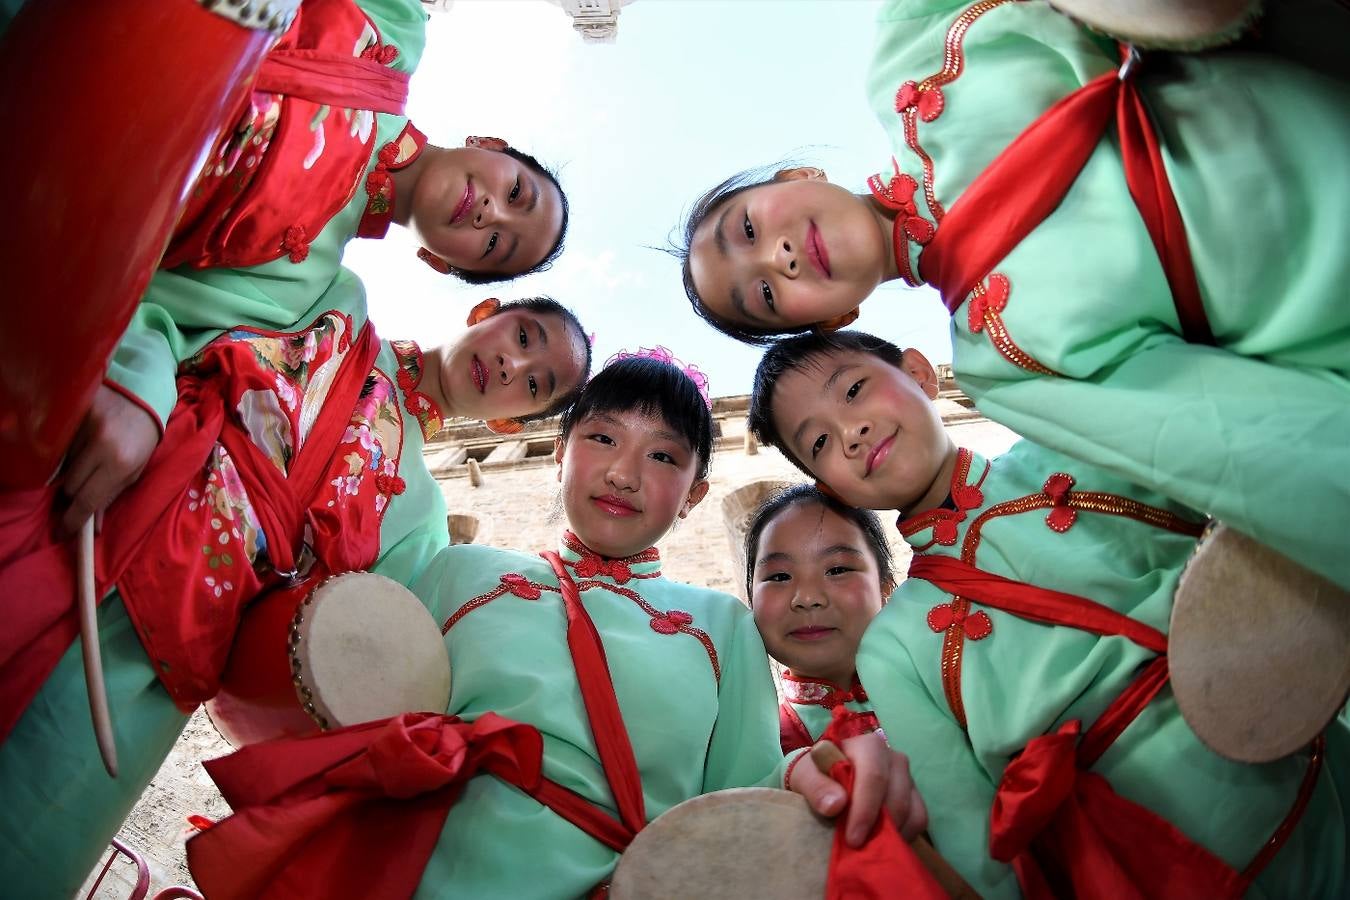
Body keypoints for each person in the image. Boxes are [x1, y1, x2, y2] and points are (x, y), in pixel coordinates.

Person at [185, 350, 928, 899]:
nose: (623, 473)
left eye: (663, 455)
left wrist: (813, 772)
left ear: (695, 495)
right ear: (560, 453)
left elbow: (744, 788)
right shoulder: (456, 570)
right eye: (602, 439)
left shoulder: (720, 622)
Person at [674, 0, 1350, 591]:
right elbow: (1259, 444)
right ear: (827, 319)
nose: (778, 256)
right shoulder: (1006, 369)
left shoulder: (914, 44)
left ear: (798, 173)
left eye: (749, 228)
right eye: (762, 294)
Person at [0, 268, 593, 896]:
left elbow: (338, 655)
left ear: (512, 423)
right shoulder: (333, 300)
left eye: (534, 384)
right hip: (83, 508)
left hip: (157, 663)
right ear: (486, 313)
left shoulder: (420, 527)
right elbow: (166, 307)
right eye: (525, 336)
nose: (512, 366)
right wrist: (143, 391)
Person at [745, 328, 1347, 899]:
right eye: (819, 443)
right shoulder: (893, 647)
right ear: (833, 487)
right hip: (1153, 866)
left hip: (1313, 755)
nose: (850, 432)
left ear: (920, 374)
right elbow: (975, 841)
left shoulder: (1072, 447)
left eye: (853, 390)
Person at [59, 0, 570, 539]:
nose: (494, 212)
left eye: (495, 245)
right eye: (517, 191)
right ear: (490, 145)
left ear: (441, 263)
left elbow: (160, 311)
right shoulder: (396, 26)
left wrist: (142, 387)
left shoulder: (298, 292)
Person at [745, 483, 893, 753]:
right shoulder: (758, 753)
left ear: (886, 587)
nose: (807, 597)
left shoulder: (951, 698)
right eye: (779, 576)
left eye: (837, 569)